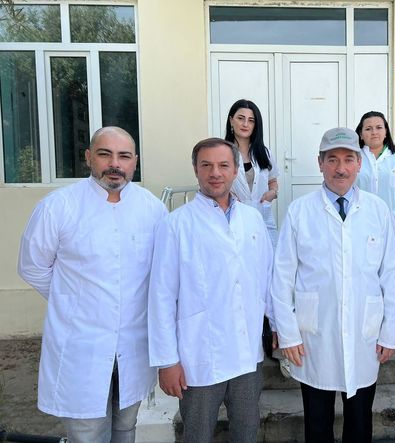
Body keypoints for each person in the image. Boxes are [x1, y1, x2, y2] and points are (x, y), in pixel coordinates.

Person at [17, 127, 167, 442]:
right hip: (82, 345)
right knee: (87, 435)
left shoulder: (152, 209)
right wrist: (73, 301)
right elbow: (32, 267)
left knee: (126, 428)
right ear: (88, 157)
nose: (115, 164)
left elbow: (161, 272)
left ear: (135, 161)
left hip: (134, 345)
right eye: (104, 154)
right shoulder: (59, 206)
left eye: (124, 156)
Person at [271, 127, 395, 443]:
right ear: (320, 163)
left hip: (364, 334)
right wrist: (287, 333)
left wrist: (390, 331)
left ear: (359, 163)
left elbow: (390, 275)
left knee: (360, 423)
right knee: (317, 424)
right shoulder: (300, 211)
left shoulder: (377, 210)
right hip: (314, 336)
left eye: (348, 159)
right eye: (332, 159)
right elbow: (282, 276)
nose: (340, 168)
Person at [148, 138, 275, 443]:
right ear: (196, 170)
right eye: (206, 165)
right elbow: (161, 297)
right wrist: (167, 361)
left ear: (235, 171)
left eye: (223, 165)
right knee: (197, 435)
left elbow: (268, 277)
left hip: (246, 353)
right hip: (199, 356)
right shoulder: (176, 224)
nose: (215, 173)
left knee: (246, 433)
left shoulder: (252, 219)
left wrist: (277, 324)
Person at [225, 99, 279, 246]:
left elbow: (273, 181)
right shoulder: (222, 152)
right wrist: (227, 195)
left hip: (261, 216)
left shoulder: (264, 153)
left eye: (251, 120)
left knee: (268, 252)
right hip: (232, 216)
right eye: (240, 118)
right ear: (231, 120)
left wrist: (272, 193)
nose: (245, 124)